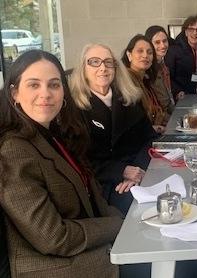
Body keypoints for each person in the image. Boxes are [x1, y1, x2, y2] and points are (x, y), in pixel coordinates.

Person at [0, 50, 123, 277]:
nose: (45, 94)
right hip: (58, 266)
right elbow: (54, 237)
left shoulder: (54, 135)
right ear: (15, 93)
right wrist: (119, 225)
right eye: (34, 85)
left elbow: (92, 197)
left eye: (54, 85)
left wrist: (125, 220)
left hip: (85, 246)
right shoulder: (13, 150)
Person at [70, 43, 156, 215]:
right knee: (144, 211)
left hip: (140, 171)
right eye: (94, 62)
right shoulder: (73, 109)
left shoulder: (129, 97)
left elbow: (149, 138)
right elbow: (78, 159)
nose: (103, 68)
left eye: (108, 62)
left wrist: (137, 170)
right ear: (83, 69)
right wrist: (121, 171)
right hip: (104, 183)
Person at [121, 34, 167, 134]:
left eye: (149, 52)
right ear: (129, 55)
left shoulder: (145, 80)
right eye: (140, 51)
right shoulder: (126, 82)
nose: (145, 55)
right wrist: (153, 129)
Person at [145, 25, 175, 122]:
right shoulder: (147, 70)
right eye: (157, 42)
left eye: (165, 41)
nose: (163, 45)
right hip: (160, 121)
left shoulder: (163, 65)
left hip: (171, 113)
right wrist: (173, 120)